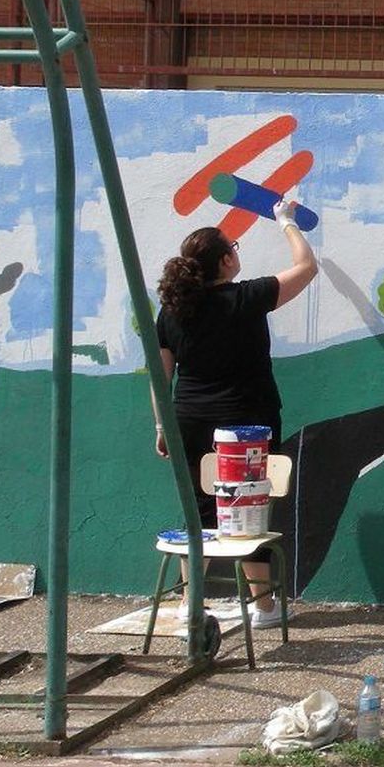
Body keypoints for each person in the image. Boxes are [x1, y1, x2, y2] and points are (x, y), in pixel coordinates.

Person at [152, 199, 318, 628]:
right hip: (247, 425)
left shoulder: (172, 311)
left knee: (201, 513)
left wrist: (162, 425)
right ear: (226, 260)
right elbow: (306, 267)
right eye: (234, 247)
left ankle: (191, 605)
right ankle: (263, 607)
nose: (237, 252)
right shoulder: (247, 297)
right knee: (249, 511)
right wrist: (286, 222)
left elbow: (160, 377)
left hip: (190, 421)